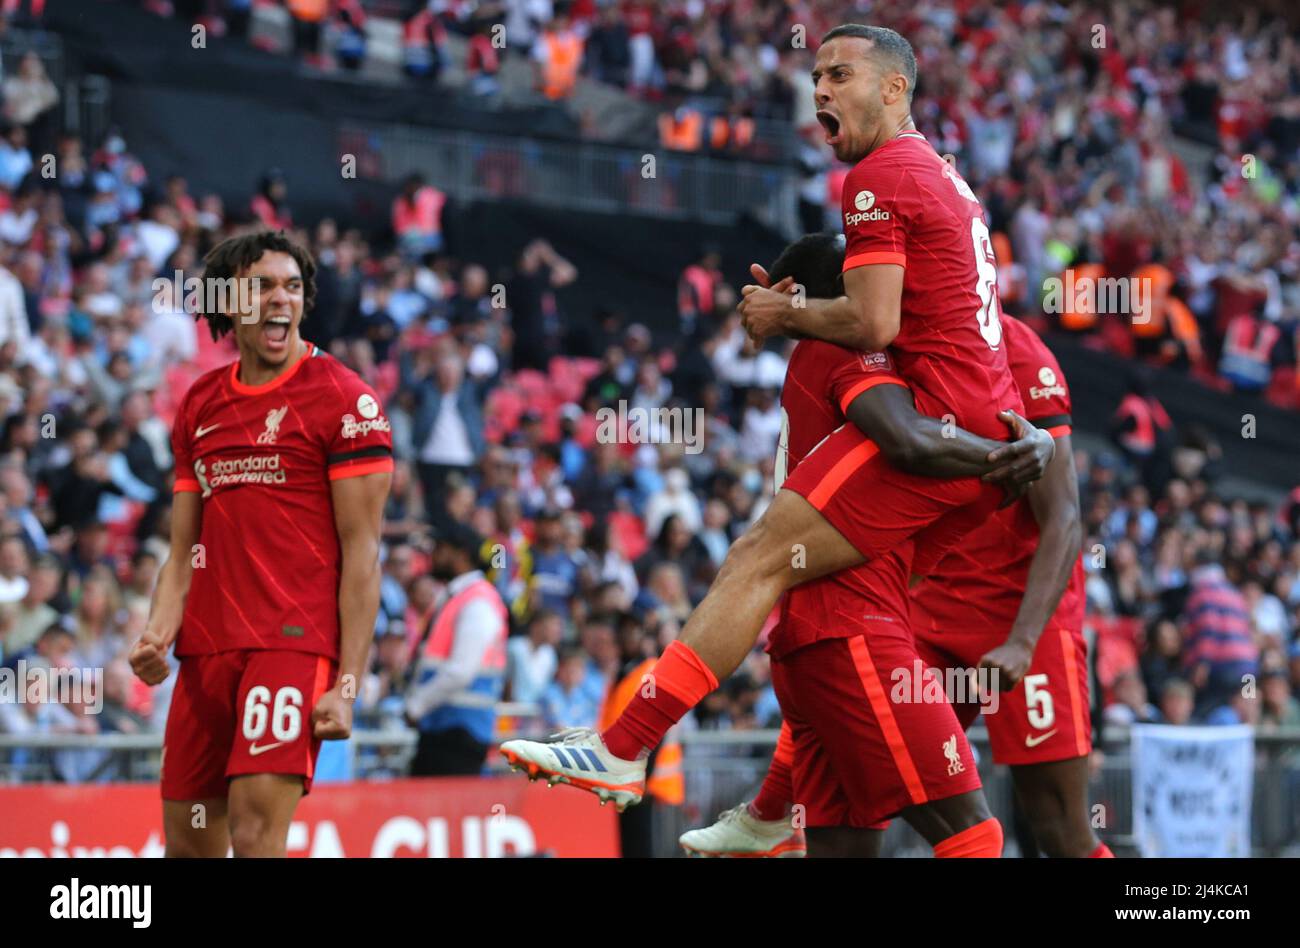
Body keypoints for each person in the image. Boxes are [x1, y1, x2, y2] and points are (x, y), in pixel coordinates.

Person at [500, 26, 1044, 837]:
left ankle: (626, 746)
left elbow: (870, 319)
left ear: (895, 88)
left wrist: (782, 310)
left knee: (761, 559)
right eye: (815, 73)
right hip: (968, 442)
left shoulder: (881, 173)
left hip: (940, 436)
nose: (820, 89)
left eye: (842, 73)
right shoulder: (945, 178)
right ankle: (759, 811)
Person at [681, 237, 1107, 858]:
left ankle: (765, 811)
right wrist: (781, 306)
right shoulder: (878, 338)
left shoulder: (1016, 350)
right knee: (852, 807)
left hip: (1022, 617)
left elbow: (1064, 513)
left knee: (1057, 828)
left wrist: (1021, 638)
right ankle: (771, 811)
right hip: (927, 610)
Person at [128, 230, 393, 857]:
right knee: (188, 847)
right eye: (264, 286)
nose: (282, 300)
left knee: (253, 835)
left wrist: (347, 685)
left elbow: (364, 556)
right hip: (206, 652)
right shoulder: (199, 404)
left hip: (291, 646)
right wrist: (157, 633)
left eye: (293, 287)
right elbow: (182, 549)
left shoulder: (345, 400)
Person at [405, 522, 509, 776]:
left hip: (458, 732)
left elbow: (461, 670)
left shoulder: (477, 601)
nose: (433, 556)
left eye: (440, 548)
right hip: (445, 729)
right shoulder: (458, 596)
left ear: (461, 554)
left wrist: (416, 705)